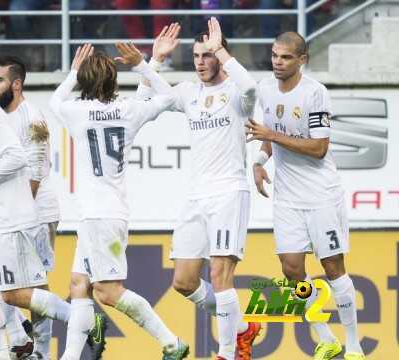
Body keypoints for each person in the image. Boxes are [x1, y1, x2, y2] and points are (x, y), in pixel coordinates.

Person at [0, 58, 101, 359]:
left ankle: (78, 325)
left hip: (26, 214)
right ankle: (10, 350)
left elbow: (27, 166)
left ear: (16, 83)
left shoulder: (26, 117)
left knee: (23, 291)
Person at [129, 18, 260, 360]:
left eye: (207, 54)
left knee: (220, 275)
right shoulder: (188, 93)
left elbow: (251, 89)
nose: (200, 61)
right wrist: (152, 59)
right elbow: (146, 99)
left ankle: (229, 353)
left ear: (220, 55)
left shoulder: (234, 93)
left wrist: (223, 52)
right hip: (196, 196)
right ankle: (243, 327)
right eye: (196, 55)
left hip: (229, 192)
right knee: (184, 282)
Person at [49, 44, 187, 360]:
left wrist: (72, 72)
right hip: (105, 214)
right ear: (114, 81)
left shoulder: (75, 112)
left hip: (99, 217)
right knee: (79, 284)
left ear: (84, 82)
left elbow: (55, 99)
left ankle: (171, 342)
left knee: (107, 292)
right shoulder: (128, 111)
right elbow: (168, 98)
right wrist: (145, 65)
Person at [247, 31, 365, 360]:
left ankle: (354, 344)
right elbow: (268, 137)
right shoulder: (266, 90)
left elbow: (318, 148)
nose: (277, 62)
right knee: (291, 269)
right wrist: (259, 162)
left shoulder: (315, 93)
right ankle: (325, 335)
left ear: (302, 60)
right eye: (274, 55)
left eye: (285, 57)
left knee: (332, 267)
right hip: (287, 197)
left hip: (320, 195)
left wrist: (272, 134)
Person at [0, 55, 61, 359]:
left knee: (33, 290)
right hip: (11, 214)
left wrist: (12, 214)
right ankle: (25, 342)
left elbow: (35, 174)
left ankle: (46, 347)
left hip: (36, 216)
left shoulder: (33, 118)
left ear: (16, 84)